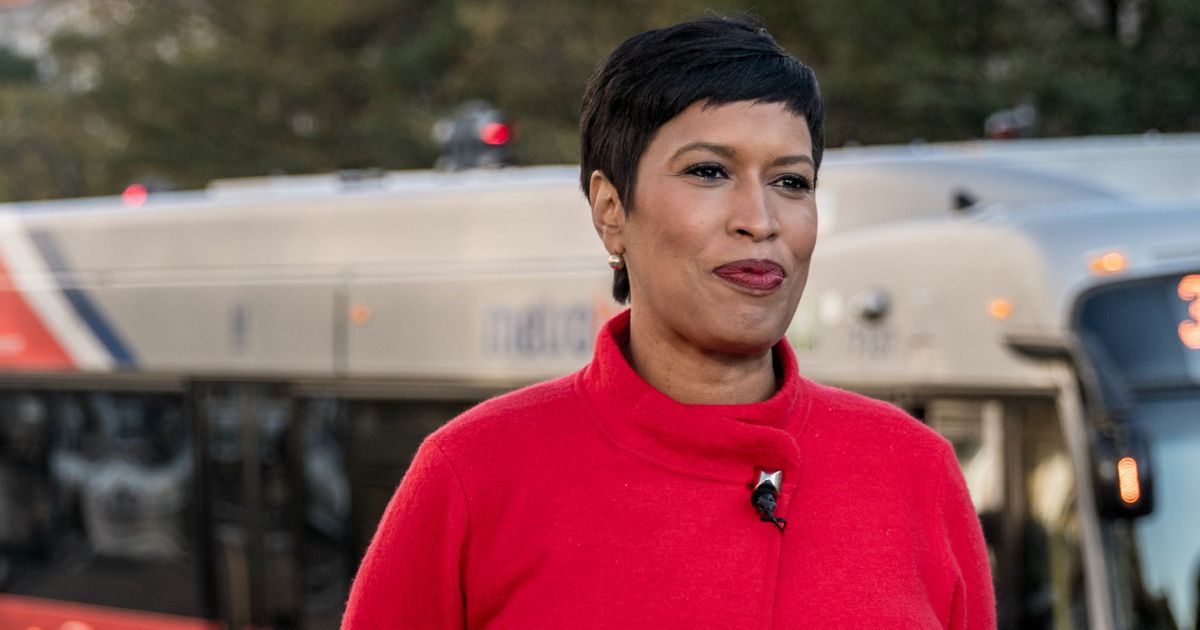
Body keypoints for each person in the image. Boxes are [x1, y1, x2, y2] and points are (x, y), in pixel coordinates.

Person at [342, 16, 995, 629]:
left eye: (791, 182)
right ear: (610, 210)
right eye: (709, 172)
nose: (760, 220)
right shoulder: (474, 476)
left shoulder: (913, 471)